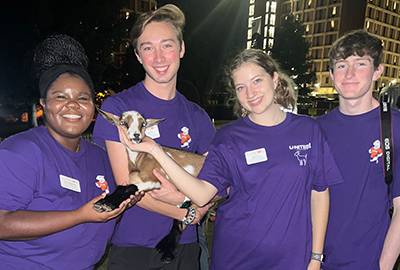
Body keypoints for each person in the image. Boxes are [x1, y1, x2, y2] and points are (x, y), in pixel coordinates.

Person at [118, 48, 343, 269]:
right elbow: (202, 193)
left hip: (292, 258)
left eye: (257, 81)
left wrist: (316, 257)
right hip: (237, 256)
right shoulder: (228, 137)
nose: (251, 93)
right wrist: (156, 150)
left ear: (274, 79)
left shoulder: (308, 130)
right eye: (241, 87)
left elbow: (319, 194)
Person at [0, 34, 141, 269]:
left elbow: (97, 221)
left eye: (82, 97)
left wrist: (121, 206)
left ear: (92, 107)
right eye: (61, 96)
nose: (73, 104)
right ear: (43, 103)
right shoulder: (20, 151)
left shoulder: (103, 158)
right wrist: (79, 215)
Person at [92, 4, 215, 270]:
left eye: (167, 45)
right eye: (148, 47)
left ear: (181, 49)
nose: (158, 57)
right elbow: (127, 185)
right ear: (138, 56)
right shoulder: (117, 109)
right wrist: (187, 211)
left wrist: (198, 210)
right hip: (133, 246)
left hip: (184, 247)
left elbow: (218, 181)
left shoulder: (198, 116)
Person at [317, 29, 400, 270]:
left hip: (367, 263)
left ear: (378, 71)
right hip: (313, 261)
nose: (349, 74)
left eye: (360, 63)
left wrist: (382, 266)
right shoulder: (314, 130)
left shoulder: (395, 127)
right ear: (331, 73)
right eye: (342, 65)